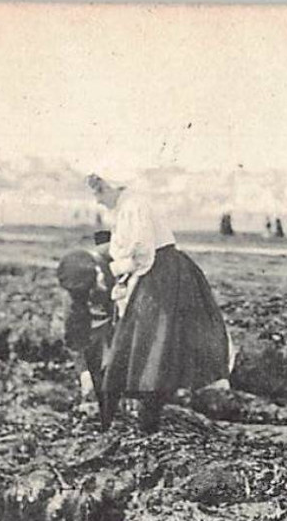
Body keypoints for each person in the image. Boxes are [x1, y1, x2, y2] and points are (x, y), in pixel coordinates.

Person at [85, 173, 231, 432]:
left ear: (109, 187)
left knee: (153, 345)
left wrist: (117, 272)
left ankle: (144, 421)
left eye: (98, 194)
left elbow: (142, 253)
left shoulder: (133, 206)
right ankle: (130, 420)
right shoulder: (126, 206)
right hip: (155, 273)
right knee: (146, 346)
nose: (98, 201)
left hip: (160, 275)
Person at [56, 230, 115, 422]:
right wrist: (84, 373)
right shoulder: (75, 293)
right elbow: (75, 336)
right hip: (96, 318)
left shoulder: (112, 260)